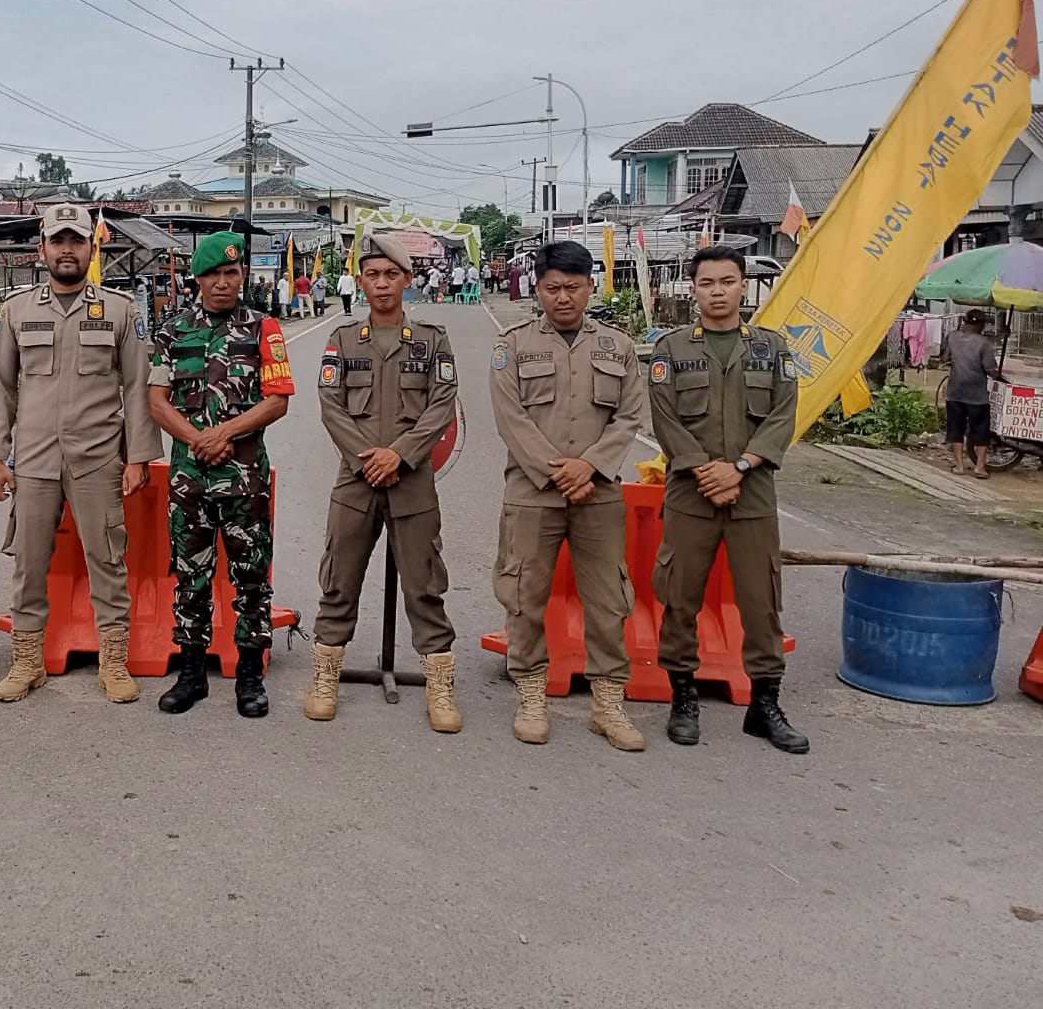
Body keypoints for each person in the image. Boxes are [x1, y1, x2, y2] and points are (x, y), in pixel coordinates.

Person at [0, 204, 165, 704]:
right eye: (58, 241)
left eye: (76, 240)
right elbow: (1, 389)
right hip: (35, 461)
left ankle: (113, 664)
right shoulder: (17, 311)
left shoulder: (120, 310)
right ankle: (26, 663)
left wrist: (138, 456)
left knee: (107, 559)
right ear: (41, 248)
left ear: (91, 247)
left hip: (98, 457)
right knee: (28, 562)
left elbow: (136, 386)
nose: (67, 249)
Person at [649, 245, 807, 754]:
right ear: (692, 290)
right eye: (707, 283)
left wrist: (740, 466)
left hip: (753, 491)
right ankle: (683, 697)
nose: (717, 292)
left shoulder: (772, 348)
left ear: (744, 285)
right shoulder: (671, 350)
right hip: (690, 493)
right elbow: (665, 419)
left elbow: (784, 414)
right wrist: (704, 469)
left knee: (761, 601)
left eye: (727, 282)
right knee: (680, 597)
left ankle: (765, 704)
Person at [490, 241, 646, 750]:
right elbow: (511, 419)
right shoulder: (511, 346)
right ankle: (531, 693)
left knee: (608, 599)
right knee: (524, 594)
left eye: (573, 288)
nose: (563, 298)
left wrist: (592, 467)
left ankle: (607, 704)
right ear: (537, 288)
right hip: (533, 492)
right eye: (553, 288)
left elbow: (628, 417)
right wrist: (558, 471)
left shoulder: (617, 347)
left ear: (590, 287)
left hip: (597, 494)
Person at [304, 232, 462, 733]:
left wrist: (400, 455)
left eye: (391, 274)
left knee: (424, 583)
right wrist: (366, 457)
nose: (381, 283)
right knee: (339, 578)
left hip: (412, 480)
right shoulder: (343, 340)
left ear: (407, 281)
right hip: (356, 479)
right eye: (372, 274)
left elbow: (442, 404)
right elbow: (331, 406)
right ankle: (326, 674)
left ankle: (439, 682)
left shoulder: (433, 340)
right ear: (362, 281)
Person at [147, 232, 294, 718]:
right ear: (198, 278)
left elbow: (276, 400)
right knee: (190, 576)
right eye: (213, 274)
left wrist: (223, 432)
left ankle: (249, 676)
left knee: (251, 576)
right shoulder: (172, 330)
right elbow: (156, 401)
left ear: (243, 275)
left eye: (232, 273)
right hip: (190, 479)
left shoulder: (263, 328)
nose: (223, 282)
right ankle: (191, 674)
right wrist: (197, 440)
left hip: (245, 478)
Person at [942, 309, 1004, 478]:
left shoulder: (952, 337)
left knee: (956, 429)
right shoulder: (984, 344)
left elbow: (944, 358)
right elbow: (990, 369)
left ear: (965, 322)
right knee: (981, 431)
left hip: (954, 392)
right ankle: (980, 468)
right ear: (981, 325)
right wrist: (1000, 377)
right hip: (977, 396)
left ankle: (959, 466)